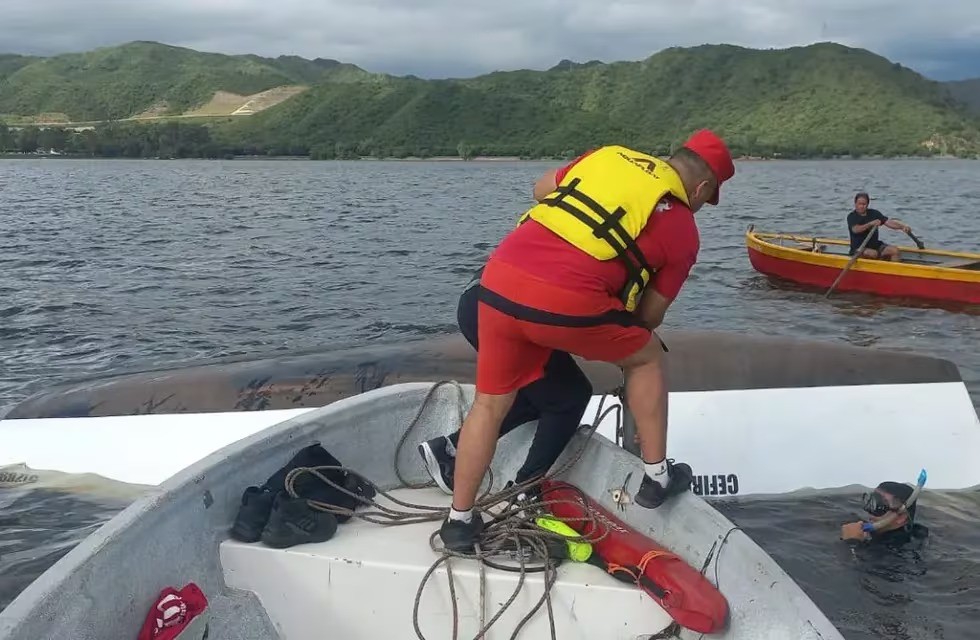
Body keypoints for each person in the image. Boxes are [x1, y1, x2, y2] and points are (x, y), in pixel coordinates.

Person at [436, 130, 736, 552]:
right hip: (564, 299)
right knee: (647, 356)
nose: (702, 205)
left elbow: (541, 189)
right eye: (707, 198)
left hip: (498, 280)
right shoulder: (683, 228)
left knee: (489, 404)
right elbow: (648, 318)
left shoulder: (609, 157)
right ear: (702, 187)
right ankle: (656, 477)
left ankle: (459, 523)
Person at [417, 270, 592, 499]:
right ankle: (524, 491)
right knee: (569, 397)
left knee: (535, 394)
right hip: (506, 309)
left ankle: (448, 450)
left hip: (479, 298)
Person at [840, 474, 929, 545]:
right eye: (871, 501)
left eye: (879, 506)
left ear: (901, 518)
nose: (869, 512)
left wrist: (852, 544)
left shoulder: (896, 550)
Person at [847, 192, 912, 261]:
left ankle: (892, 267)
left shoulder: (874, 213)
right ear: (855, 204)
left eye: (864, 204)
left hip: (875, 246)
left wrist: (902, 227)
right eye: (859, 204)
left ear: (867, 204)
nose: (861, 206)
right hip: (858, 249)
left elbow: (888, 222)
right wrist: (870, 224)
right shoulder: (852, 216)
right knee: (873, 254)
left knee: (895, 251)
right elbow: (855, 230)